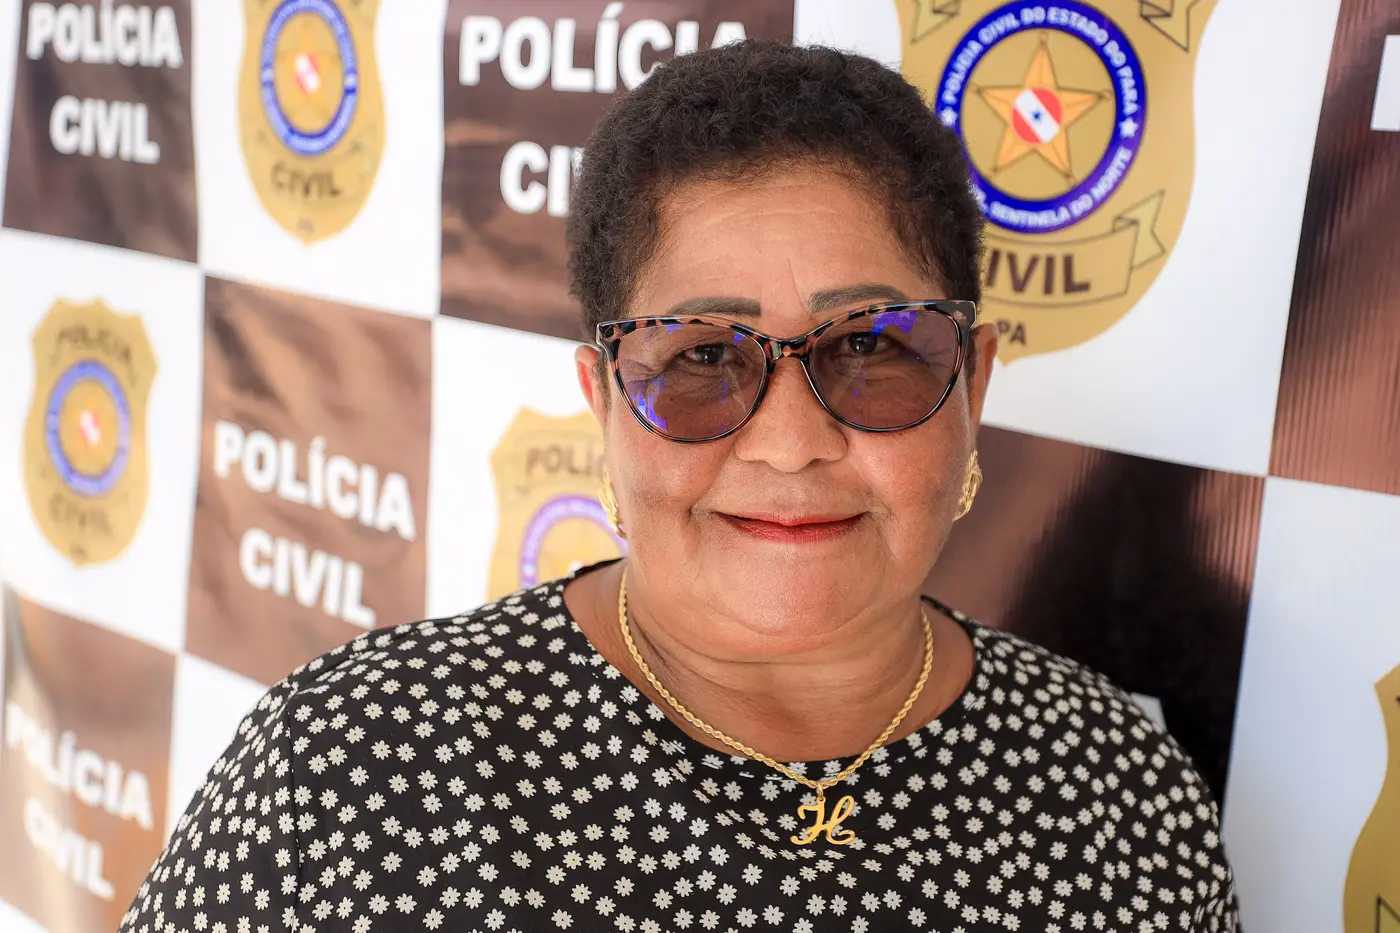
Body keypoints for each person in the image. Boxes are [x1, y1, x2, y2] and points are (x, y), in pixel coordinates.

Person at [120, 40, 1238, 932]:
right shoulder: (354, 773)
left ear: (972, 384)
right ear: (604, 402)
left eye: (869, 347)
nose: (790, 444)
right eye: (703, 356)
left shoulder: (1121, 795)